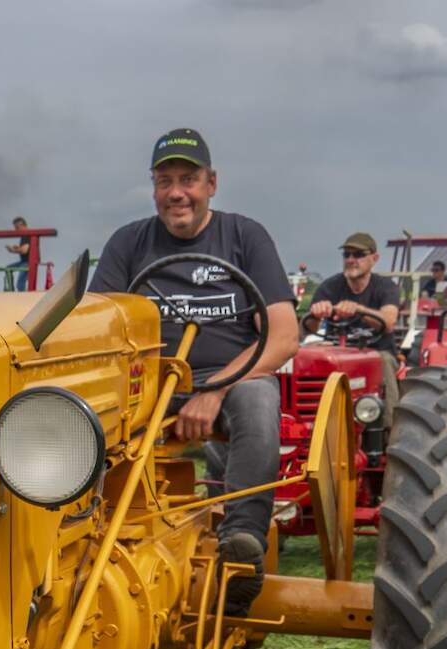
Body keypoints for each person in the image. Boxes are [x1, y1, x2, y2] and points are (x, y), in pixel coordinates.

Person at [89, 128, 297, 614]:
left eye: (188, 179)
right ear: (154, 187)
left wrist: (216, 389)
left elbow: (284, 335)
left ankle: (242, 543)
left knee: (259, 398)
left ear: (212, 183)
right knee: (79, 410)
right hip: (148, 385)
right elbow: (97, 325)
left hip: (230, 382)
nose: (176, 192)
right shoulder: (128, 242)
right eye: (165, 181)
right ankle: (81, 533)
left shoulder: (245, 236)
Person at [302, 234, 400, 354]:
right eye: (346, 255)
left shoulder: (386, 287)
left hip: (378, 353)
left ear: (374, 258)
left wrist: (359, 310)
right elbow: (305, 329)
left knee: (385, 361)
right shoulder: (329, 287)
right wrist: (316, 315)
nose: (350, 260)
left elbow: (389, 323)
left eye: (358, 254)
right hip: (337, 353)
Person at [6, 216, 30, 291]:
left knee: (20, 284)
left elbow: (24, 250)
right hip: (24, 261)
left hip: (28, 262)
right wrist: (17, 248)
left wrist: (13, 250)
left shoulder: (28, 235)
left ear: (23, 225)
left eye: (17, 227)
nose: (15, 230)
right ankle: (11, 289)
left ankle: (22, 297)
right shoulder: (24, 235)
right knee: (8, 268)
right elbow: (25, 248)